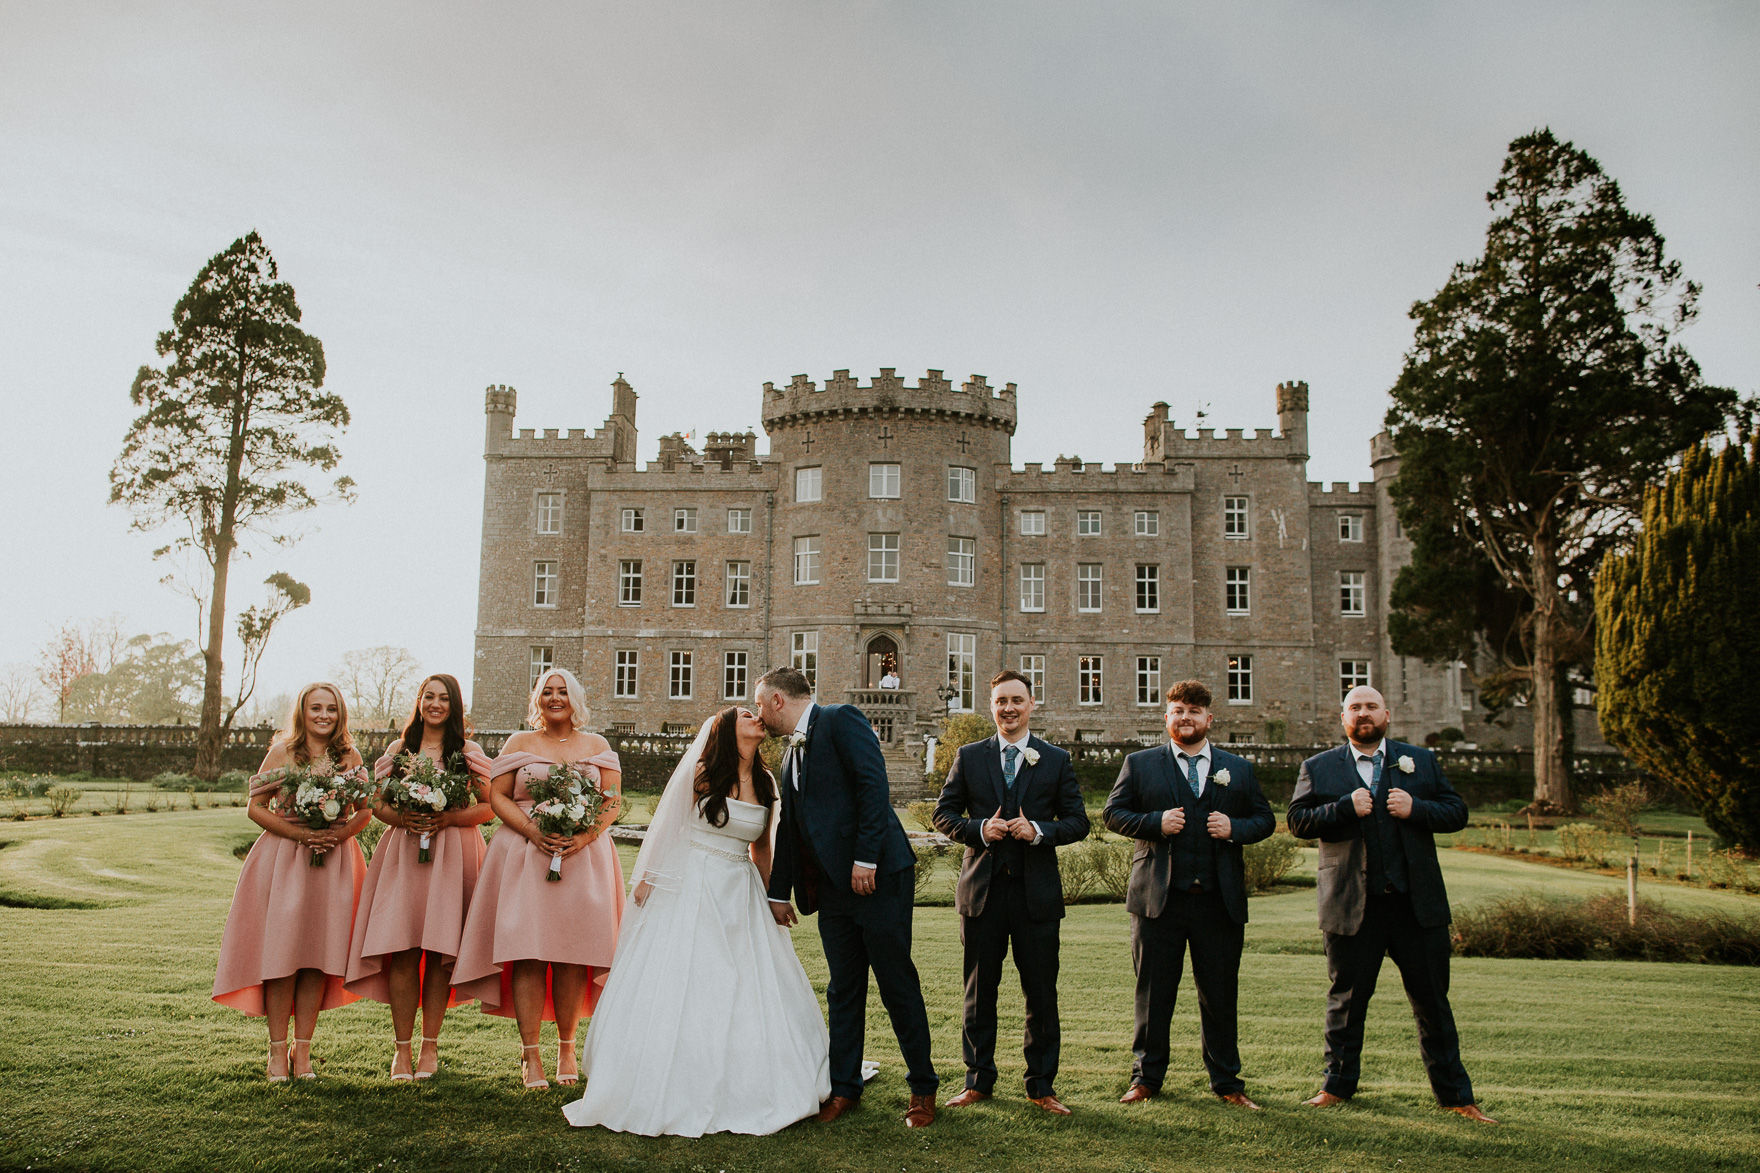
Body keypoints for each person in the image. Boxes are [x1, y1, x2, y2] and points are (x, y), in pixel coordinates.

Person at [563, 706, 831, 1134]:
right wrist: (648, 878)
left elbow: (761, 849)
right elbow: (670, 827)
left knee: (745, 979)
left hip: (739, 889)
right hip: (691, 882)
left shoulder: (766, 782)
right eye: (747, 713)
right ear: (727, 729)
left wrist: (773, 898)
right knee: (688, 977)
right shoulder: (704, 773)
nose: (757, 717)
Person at [1287, 686, 1495, 1123]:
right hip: (1350, 905)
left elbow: (1456, 812)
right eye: (1354, 707)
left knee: (1433, 1003)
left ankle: (1456, 1096)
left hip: (1416, 907)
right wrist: (1345, 807)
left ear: (1387, 714)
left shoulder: (1421, 761)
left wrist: (1417, 808)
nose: (1363, 714)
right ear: (1342, 716)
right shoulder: (1319, 768)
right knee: (1345, 1001)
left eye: (1371, 707)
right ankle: (1337, 1087)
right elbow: (1298, 822)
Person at [758, 666, 940, 1128]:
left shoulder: (841, 719)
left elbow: (872, 787)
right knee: (843, 990)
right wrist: (779, 893)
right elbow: (792, 831)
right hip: (834, 891)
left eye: (760, 704)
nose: (759, 715)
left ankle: (923, 1089)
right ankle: (844, 1090)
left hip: (877, 879)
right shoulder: (788, 757)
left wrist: (866, 858)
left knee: (897, 983)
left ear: (778, 700)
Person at [1102, 679, 1275, 1108]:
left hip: (1218, 901)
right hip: (1157, 900)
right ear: (1166, 717)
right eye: (1178, 710)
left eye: (1194, 711)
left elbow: (1265, 819)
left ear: (1208, 719)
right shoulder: (1140, 764)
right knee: (1153, 994)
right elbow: (1112, 814)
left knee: (1219, 995)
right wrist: (1155, 823)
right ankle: (1146, 1078)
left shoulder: (1238, 767)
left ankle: (1228, 1083)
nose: (1186, 718)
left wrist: (1236, 829)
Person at [452, 669, 624, 1089]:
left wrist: (583, 837)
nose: (554, 697)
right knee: (528, 952)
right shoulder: (519, 744)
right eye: (546, 691)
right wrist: (531, 830)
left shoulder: (597, 746)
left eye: (562, 691)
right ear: (537, 700)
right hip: (525, 857)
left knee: (571, 954)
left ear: (575, 699)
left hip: (582, 859)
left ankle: (566, 1049)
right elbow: (497, 796)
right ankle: (531, 1057)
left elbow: (612, 800)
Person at [933, 670, 1088, 1114]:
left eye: (1017, 700)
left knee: (1041, 994)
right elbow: (944, 815)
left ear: (1032, 704)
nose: (1009, 709)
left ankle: (1041, 1086)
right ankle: (977, 1080)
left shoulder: (1054, 759)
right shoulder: (969, 755)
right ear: (991, 706)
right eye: (1001, 701)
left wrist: (1038, 830)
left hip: (1036, 897)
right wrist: (980, 828)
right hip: (981, 894)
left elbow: (1079, 821)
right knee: (979, 993)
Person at [213, 682, 371, 1081]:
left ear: (340, 714)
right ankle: (276, 1052)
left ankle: (304, 1053)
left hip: (333, 862)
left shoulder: (349, 756)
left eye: (331, 709)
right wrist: (301, 833)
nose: (323, 715)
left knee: (318, 956)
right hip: (285, 858)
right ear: (302, 712)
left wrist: (339, 833)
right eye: (315, 708)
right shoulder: (283, 751)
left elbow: (365, 811)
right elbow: (255, 807)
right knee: (283, 957)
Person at [345, 674, 494, 1081]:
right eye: (429, 696)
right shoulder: (399, 749)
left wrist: (448, 817)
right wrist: (402, 817)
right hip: (405, 854)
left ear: (454, 705)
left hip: (453, 854)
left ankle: (430, 1047)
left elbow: (489, 806)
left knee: (441, 952)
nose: (435, 704)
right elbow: (375, 802)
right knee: (404, 949)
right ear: (419, 702)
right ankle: (401, 1051)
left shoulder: (468, 751)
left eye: (443, 698)